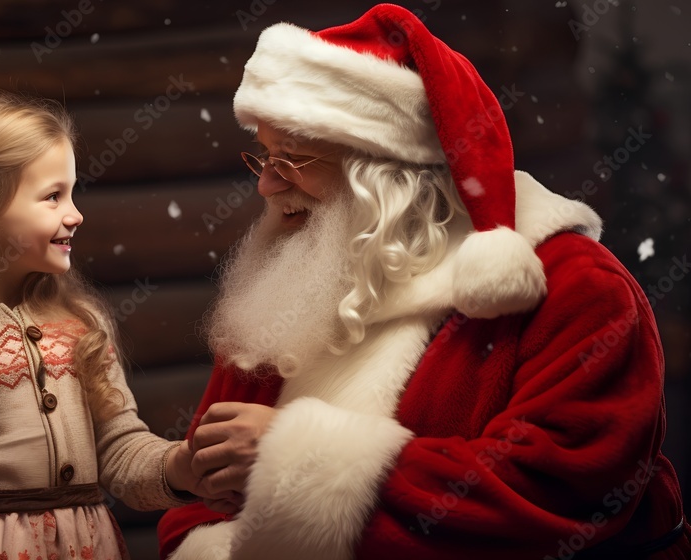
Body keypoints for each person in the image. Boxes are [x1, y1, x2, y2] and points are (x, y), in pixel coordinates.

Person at [158, 4, 691, 559]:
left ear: (386, 174)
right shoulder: (293, 277)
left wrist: (293, 461)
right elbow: (206, 489)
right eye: (263, 156)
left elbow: (564, 491)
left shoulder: (577, 288)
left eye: (292, 159)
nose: (267, 186)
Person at [0, 91, 234, 560]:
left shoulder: (81, 324)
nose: (76, 214)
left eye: (72, 193)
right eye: (53, 196)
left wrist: (181, 467)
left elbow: (121, 451)